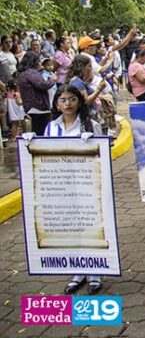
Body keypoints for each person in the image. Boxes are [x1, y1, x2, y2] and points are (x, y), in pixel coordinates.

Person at [44, 84, 104, 294]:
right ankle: (78, 271)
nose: (67, 104)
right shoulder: (51, 128)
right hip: (61, 186)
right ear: (56, 104)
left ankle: (95, 272)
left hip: (86, 185)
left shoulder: (91, 125)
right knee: (71, 228)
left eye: (72, 99)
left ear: (80, 102)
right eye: (63, 100)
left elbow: (101, 158)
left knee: (90, 227)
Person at [17, 51, 57, 135]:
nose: (40, 64)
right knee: (41, 134)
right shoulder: (31, 72)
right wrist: (52, 79)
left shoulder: (23, 73)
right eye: (38, 61)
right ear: (34, 61)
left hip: (32, 108)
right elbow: (43, 85)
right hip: (38, 108)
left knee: (37, 132)